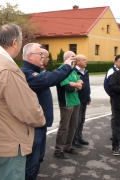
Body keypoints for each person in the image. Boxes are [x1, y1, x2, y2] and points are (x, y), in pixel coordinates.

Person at [0, 24, 46, 180]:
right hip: (8, 144)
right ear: (14, 43)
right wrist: (41, 119)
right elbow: (27, 109)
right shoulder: (6, 67)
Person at [21, 43, 74, 180]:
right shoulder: (26, 73)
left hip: (41, 124)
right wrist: (66, 66)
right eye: (40, 54)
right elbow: (47, 80)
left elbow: (51, 77)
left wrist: (67, 68)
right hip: (34, 126)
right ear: (30, 56)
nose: (43, 57)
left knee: (38, 159)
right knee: (31, 163)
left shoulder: (37, 71)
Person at [54, 51, 83, 159]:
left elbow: (82, 85)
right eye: (72, 57)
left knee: (73, 126)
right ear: (66, 59)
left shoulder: (73, 71)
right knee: (64, 128)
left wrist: (75, 84)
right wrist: (76, 85)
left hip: (76, 102)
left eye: (75, 57)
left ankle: (68, 146)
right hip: (67, 103)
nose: (75, 59)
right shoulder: (61, 70)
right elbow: (67, 87)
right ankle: (58, 150)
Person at [72, 54, 91, 148]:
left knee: (82, 120)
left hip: (84, 99)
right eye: (83, 60)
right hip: (77, 100)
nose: (85, 61)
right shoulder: (74, 72)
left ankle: (79, 137)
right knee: (77, 121)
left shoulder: (85, 72)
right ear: (78, 62)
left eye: (86, 60)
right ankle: (74, 140)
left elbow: (87, 85)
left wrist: (88, 97)